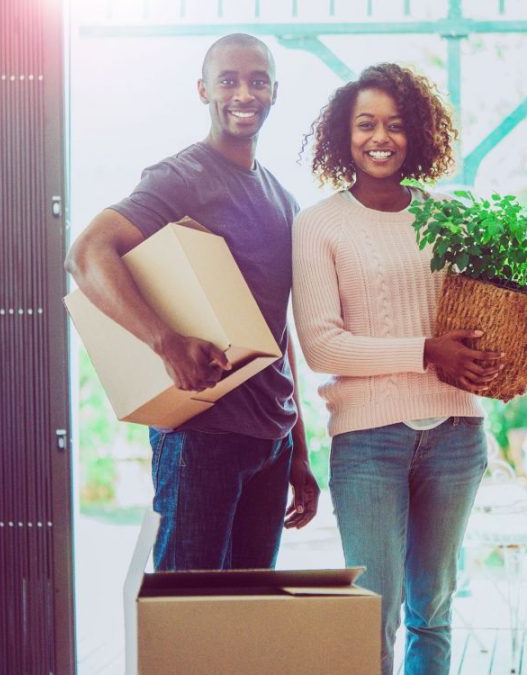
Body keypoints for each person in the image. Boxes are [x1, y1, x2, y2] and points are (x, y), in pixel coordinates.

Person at [65, 33, 319, 572]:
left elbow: (279, 331)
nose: (243, 94)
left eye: (257, 81)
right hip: (202, 436)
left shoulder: (283, 199)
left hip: (271, 442)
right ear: (203, 90)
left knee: (244, 619)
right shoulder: (182, 177)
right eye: (228, 80)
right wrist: (166, 341)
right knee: (188, 616)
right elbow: (87, 253)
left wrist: (299, 449)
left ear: (276, 91)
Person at [292, 63, 504, 675]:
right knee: (374, 612)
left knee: (434, 608)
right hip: (367, 443)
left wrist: (482, 355)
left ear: (417, 134)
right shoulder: (319, 224)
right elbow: (323, 348)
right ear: (344, 134)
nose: (379, 137)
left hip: (457, 435)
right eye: (365, 124)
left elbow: (475, 320)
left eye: (395, 124)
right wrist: (426, 351)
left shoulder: (450, 216)